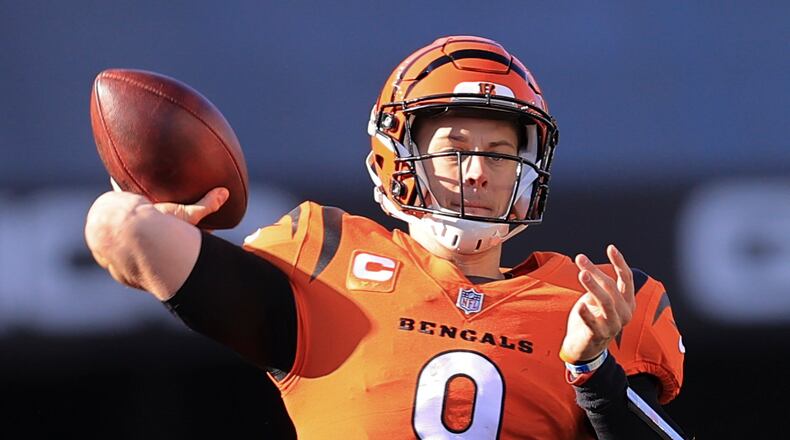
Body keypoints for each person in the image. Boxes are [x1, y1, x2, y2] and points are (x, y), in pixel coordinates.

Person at [85, 36, 689, 439]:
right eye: (455, 149)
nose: (479, 171)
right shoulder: (324, 260)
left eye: (501, 153)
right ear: (395, 159)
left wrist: (592, 366)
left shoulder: (594, 304)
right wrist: (145, 215)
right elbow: (121, 231)